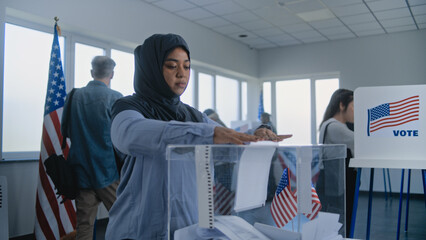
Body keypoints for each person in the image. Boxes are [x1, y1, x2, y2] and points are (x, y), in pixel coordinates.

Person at [105, 33, 287, 240]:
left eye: (187, 66)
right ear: (152, 68)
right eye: (172, 66)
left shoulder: (191, 114)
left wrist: (255, 136)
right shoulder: (128, 106)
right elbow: (128, 134)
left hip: (187, 228)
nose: (182, 74)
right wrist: (207, 133)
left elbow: (227, 139)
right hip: (139, 229)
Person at [61, 56, 123, 240]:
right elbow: (120, 137)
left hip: (82, 171)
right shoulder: (116, 98)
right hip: (108, 172)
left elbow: (66, 130)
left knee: (84, 226)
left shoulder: (74, 96)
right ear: (111, 74)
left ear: (91, 72)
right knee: (123, 219)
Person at [318, 88, 356, 237]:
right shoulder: (335, 127)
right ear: (342, 105)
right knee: (337, 223)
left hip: (333, 182)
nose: (355, 111)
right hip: (337, 184)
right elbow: (360, 142)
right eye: (353, 106)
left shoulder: (329, 124)